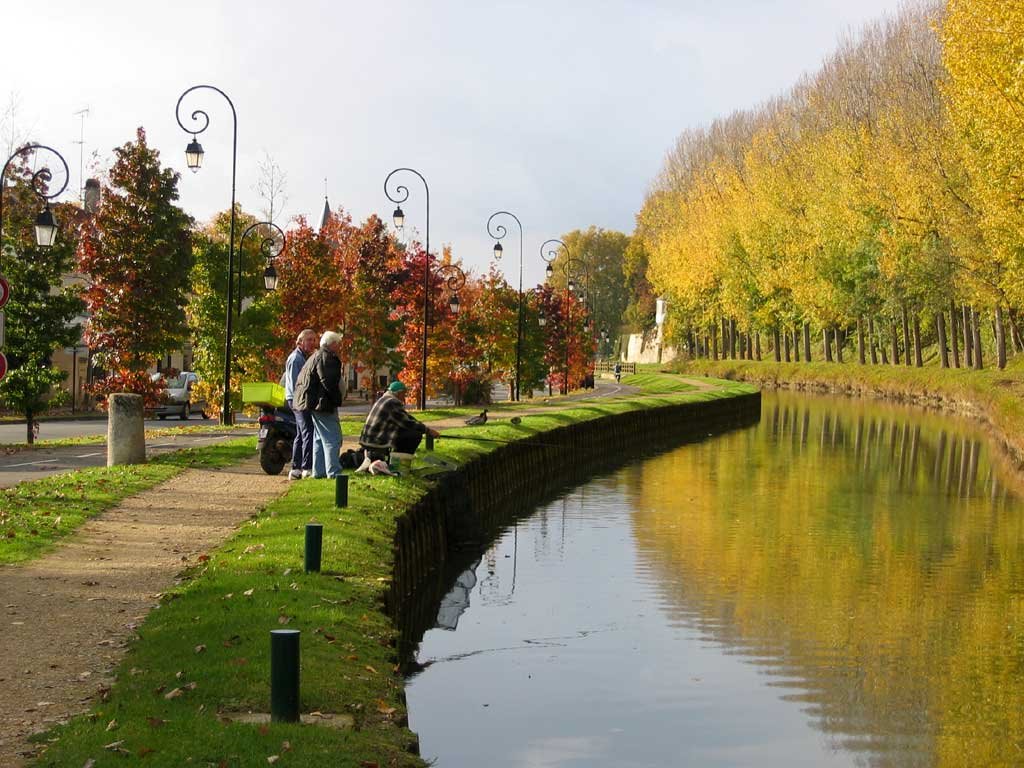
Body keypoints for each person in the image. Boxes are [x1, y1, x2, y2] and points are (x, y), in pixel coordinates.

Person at [293, 331, 347, 479]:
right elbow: (328, 382)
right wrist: (337, 399)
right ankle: (334, 472)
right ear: (332, 344)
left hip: (312, 403)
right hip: (322, 404)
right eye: (338, 343)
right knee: (332, 438)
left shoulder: (315, 356)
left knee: (319, 438)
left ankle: (319, 471)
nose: (339, 347)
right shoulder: (327, 357)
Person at [359, 380, 440, 468]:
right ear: (398, 393)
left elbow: (406, 417)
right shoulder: (392, 402)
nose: (404, 396)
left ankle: (395, 461)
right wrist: (427, 431)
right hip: (376, 440)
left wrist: (424, 427)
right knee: (415, 435)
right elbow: (407, 423)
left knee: (409, 432)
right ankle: (400, 464)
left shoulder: (385, 399)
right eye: (404, 394)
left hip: (369, 438)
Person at [283, 328, 317, 480]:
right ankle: (306, 467)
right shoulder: (296, 359)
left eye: (313, 340)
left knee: (300, 433)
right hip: (298, 399)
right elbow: (298, 383)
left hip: (296, 398)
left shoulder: (301, 357)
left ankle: (295, 469)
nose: (312, 343)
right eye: (309, 340)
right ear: (300, 342)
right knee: (307, 431)